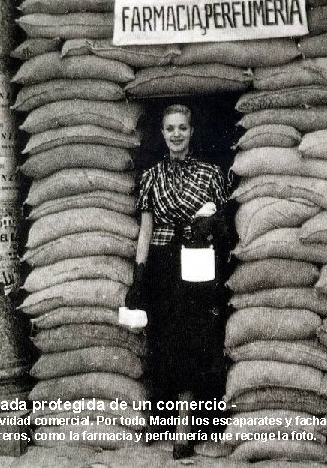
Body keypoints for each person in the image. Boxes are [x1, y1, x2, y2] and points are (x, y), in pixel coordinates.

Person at [127, 104, 230, 459]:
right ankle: (169, 424)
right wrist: (139, 276)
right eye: (170, 129)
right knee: (167, 344)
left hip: (198, 265)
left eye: (182, 128)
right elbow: (146, 229)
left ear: (192, 132)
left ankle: (186, 429)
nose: (176, 135)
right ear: (161, 133)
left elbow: (224, 224)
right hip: (162, 266)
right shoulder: (152, 176)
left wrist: (209, 225)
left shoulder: (211, 174)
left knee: (195, 342)